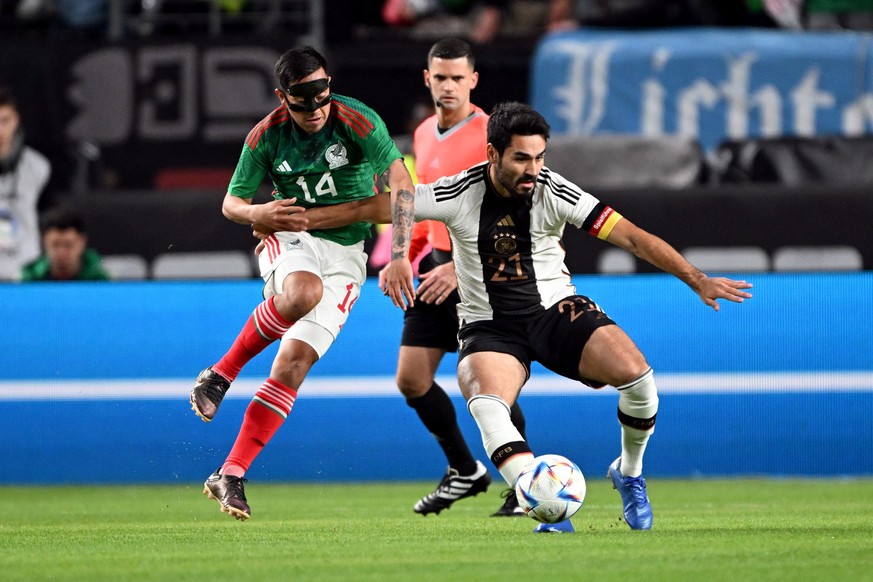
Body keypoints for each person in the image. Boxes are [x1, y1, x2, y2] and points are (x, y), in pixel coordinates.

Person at [275, 102, 753, 531]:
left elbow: (631, 237)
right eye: (522, 158)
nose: (533, 169)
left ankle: (628, 473)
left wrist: (695, 278)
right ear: (493, 155)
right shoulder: (458, 193)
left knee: (641, 381)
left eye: (540, 157)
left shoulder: (555, 191)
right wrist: (293, 220)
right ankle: (541, 500)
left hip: (554, 310)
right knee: (484, 402)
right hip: (490, 327)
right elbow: (386, 203)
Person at [190, 46, 415, 521]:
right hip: (291, 236)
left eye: (322, 97)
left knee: (293, 364)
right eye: (303, 102)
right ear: (282, 97)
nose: (315, 112)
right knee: (302, 294)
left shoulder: (357, 120)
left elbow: (401, 181)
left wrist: (397, 254)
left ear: (330, 84)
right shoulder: (266, 135)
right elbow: (232, 203)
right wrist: (258, 213)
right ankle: (221, 374)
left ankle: (230, 473)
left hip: (349, 254)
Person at [380, 38, 529, 517]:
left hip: (483, 274)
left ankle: (523, 484)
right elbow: (428, 208)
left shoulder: (493, 134)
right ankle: (465, 469)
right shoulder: (424, 133)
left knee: (487, 383)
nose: (448, 86)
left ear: (474, 81)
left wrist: (456, 268)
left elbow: (514, 217)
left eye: (457, 78)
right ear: (427, 79)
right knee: (411, 379)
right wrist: (410, 254)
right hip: (435, 269)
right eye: (439, 77)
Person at [0, 86, 52, 281]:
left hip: (26, 275)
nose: (0, 130)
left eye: (5, 121)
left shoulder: (38, 167)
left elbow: (49, 217)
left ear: (16, 121)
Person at [20, 205, 109, 281]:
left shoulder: (99, 280)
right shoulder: (30, 280)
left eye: (68, 245)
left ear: (82, 241)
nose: (61, 252)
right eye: (55, 244)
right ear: (44, 241)